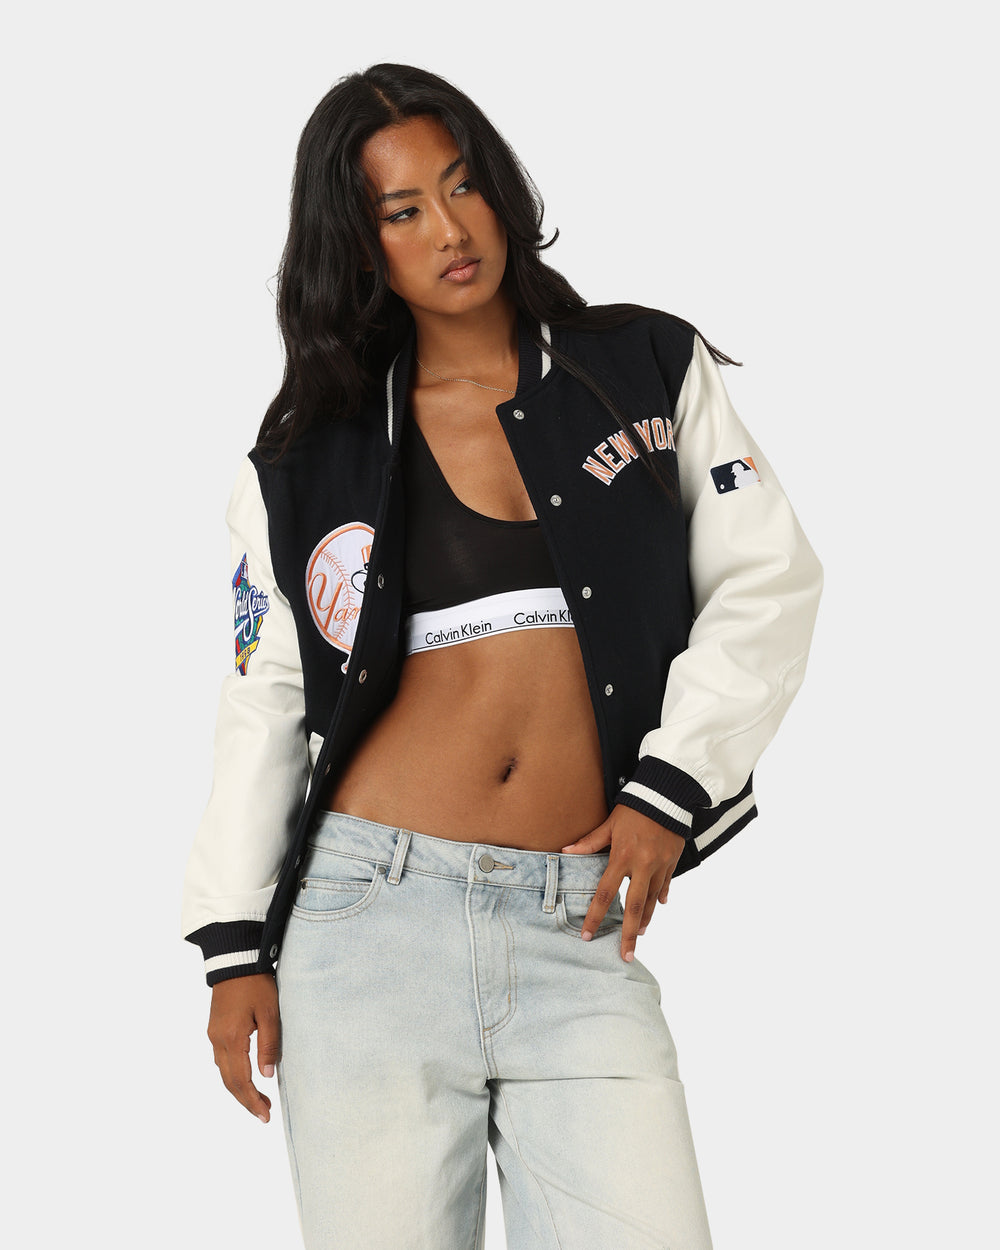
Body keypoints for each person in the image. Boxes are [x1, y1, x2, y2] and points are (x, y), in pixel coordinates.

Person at [181, 62, 822, 1249]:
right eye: (402, 209)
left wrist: (668, 789)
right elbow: (264, 698)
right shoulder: (306, 460)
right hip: (365, 926)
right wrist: (231, 947)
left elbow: (767, 581)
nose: (449, 228)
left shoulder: (643, 367)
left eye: (461, 184)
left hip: (579, 923)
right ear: (357, 244)